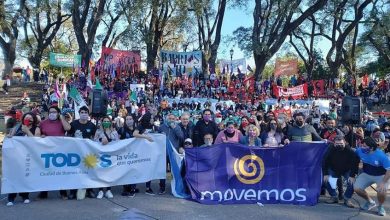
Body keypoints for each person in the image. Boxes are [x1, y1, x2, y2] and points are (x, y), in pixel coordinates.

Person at [6, 112, 41, 206]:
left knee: (26, 176)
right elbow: (11, 137)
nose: (28, 119)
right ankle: (11, 197)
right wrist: (9, 137)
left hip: (29, 156)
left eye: (30, 118)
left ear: (33, 120)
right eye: (26, 117)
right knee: (14, 175)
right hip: (16, 155)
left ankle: (25, 195)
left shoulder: (36, 128)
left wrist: (27, 131)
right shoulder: (17, 127)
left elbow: (35, 141)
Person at [38, 105, 71, 200]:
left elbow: (68, 128)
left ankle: (63, 192)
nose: (52, 114)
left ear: (58, 113)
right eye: (50, 112)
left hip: (60, 151)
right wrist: (42, 136)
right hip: (47, 151)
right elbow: (38, 134)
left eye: (54, 112)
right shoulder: (43, 123)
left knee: (60, 171)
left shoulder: (62, 122)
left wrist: (62, 118)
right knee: (46, 171)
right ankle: (44, 193)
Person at [354, 137, 390, 216]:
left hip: (381, 175)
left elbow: (389, 170)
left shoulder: (381, 156)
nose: (362, 148)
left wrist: (383, 182)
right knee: (356, 188)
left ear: (372, 148)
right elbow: (353, 155)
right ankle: (370, 202)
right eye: (362, 145)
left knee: (382, 190)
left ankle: (380, 206)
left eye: (365, 146)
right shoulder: (359, 151)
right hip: (367, 174)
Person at [67, 106, 97, 199]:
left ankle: (89, 190)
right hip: (75, 152)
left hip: (88, 153)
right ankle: (73, 191)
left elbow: (94, 138)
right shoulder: (73, 124)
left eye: (86, 112)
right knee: (75, 172)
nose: (84, 114)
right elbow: (68, 136)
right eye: (82, 112)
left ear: (88, 114)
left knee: (88, 171)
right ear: (79, 114)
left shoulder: (92, 125)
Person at [323, 135, 359, 208]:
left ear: (345, 142)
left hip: (347, 170)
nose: (339, 145)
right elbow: (324, 161)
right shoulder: (330, 149)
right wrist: (325, 174)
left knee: (352, 182)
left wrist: (352, 175)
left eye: (341, 144)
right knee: (325, 179)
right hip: (333, 169)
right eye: (337, 144)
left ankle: (347, 199)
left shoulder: (350, 151)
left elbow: (355, 164)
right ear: (334, 143)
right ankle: (334, 197)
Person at [157, 113, 184, 194]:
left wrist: (174, 128)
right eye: (170, 118)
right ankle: (162, 187)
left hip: (173, 153)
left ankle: (175, 187)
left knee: (174, 170)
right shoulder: (161, 127)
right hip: (163, 153)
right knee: (162, 171)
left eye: (173, 119)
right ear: (166, 119)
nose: (171, 120)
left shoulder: (177, 127)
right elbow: (157, 137)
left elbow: (181, 137)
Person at [133, 111, 159, 195]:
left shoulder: (154, 127)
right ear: (147, 118)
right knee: (137, 170)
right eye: (151, 118)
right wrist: (146, 137)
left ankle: (148, 188)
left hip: (150, 152)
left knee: (149, 169)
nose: (153, 119)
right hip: (140, 152)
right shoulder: (141, 126)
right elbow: (135, 134)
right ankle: (133, 188)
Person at [94, 116, 119, 199]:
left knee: (110, 172)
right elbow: (94, 142)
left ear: (110, 122)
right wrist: (101, 141)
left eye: (107, 121)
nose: (106, 122)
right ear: (102, 122)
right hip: (101, 155)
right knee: (100, 172)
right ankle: (100, 190)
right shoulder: (98, 131)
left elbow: (117, 143)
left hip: (110, 155)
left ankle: (108, 190)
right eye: (104, 121)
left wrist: (110, 141)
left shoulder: (114, 132)